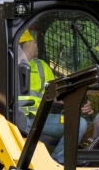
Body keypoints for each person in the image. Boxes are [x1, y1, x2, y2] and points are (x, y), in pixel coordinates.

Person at [14, 29, 91, 162]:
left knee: (78, 123)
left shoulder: (41, 66)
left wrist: (79, 104)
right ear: (20, 46)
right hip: (11, 117)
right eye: (31, 42)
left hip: (39, 119)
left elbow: (57, 95)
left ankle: (56, 162)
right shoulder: (0, 62)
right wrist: (24, 56)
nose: (35, 45)